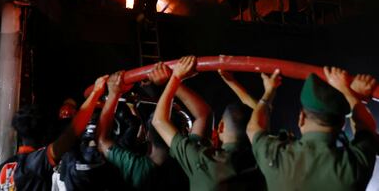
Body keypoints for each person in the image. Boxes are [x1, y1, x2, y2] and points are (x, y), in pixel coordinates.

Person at [247, 67, 377, 191]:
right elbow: (366, 127)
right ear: (343, 124)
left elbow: (253, 128)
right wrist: (348, 92)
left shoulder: (275, 157)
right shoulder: (353, 167)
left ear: (301, 118)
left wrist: (269, 91)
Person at [152, 56, 266, 191]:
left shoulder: (203, 160)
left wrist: (175, 78)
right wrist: (231, 82)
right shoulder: (264, 157)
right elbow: (257, 115)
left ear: (221, 126)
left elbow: (159, 121)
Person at [97, 63, 210, 190]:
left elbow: (102, 141)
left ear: (148, 136)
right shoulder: (190, 158)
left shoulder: (136, 168)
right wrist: (172, 80)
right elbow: (203, 115)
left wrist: (113, 93)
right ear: (183, 132)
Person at [0, 76, 108, 191]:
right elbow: (70, 135)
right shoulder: (35, 163)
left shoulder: (1, 170)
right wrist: (96, 92)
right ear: (43, 134)